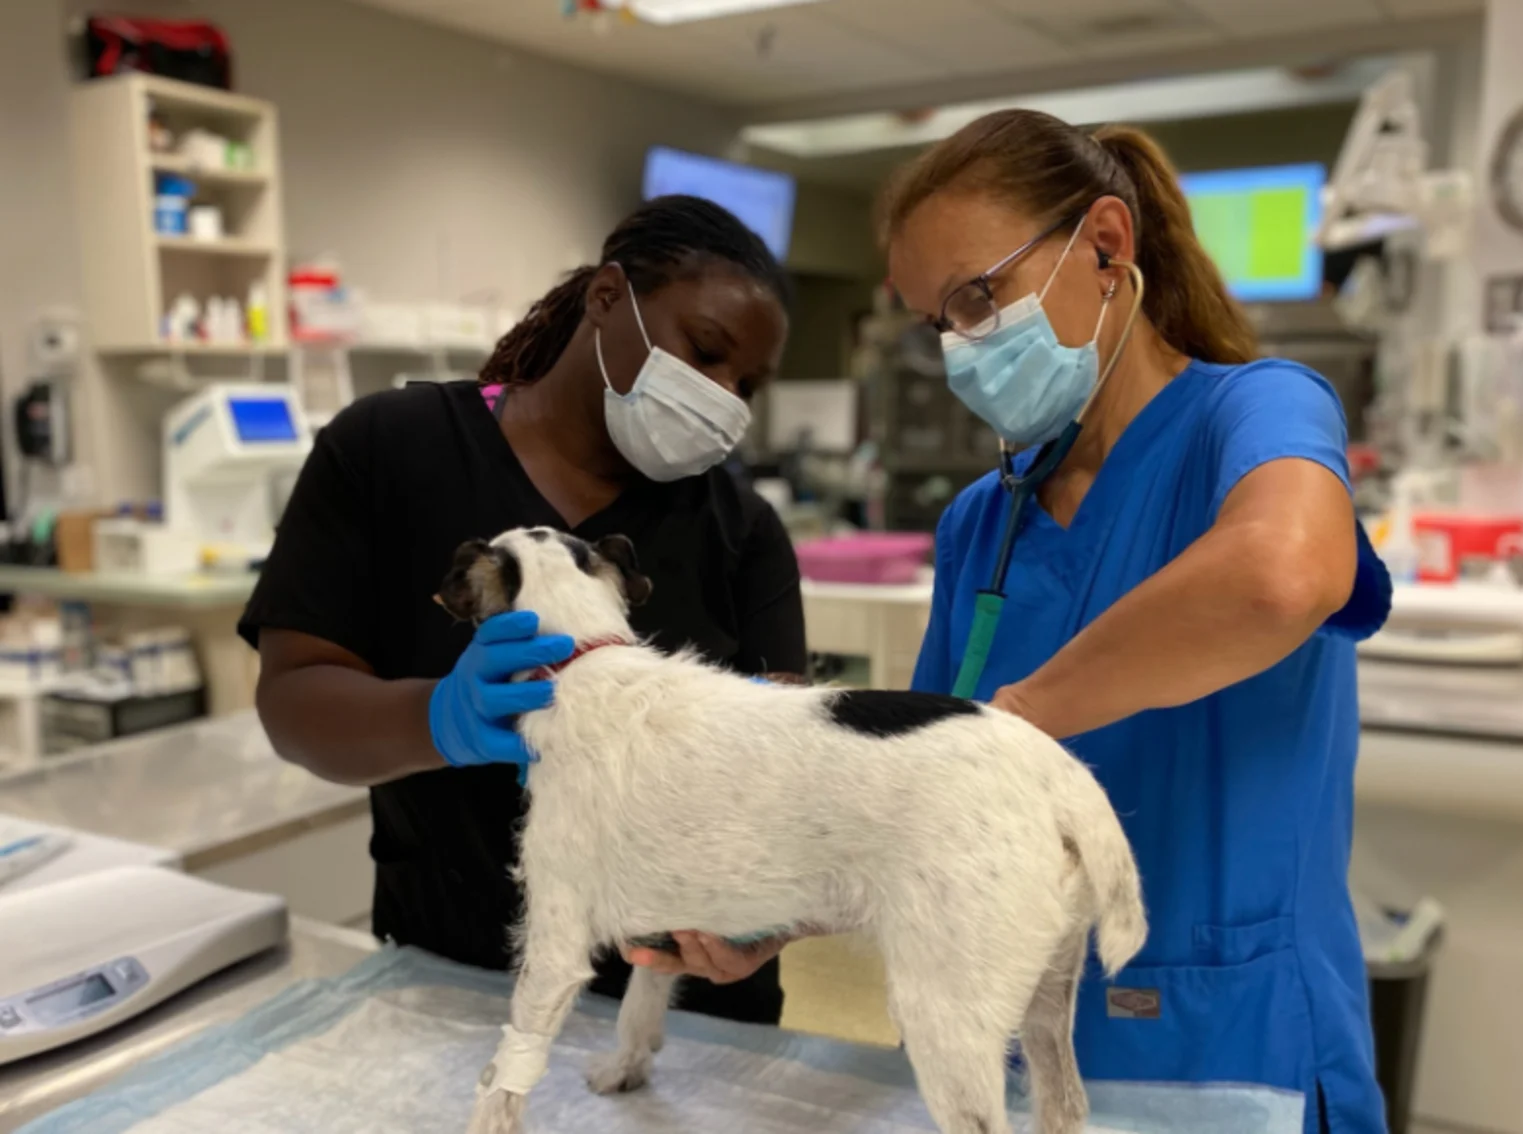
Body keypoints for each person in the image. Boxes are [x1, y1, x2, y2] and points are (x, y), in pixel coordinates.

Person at [882, 110, 1392, 1134]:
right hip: (1013, 1044)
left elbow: (1283, 574)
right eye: (940, 322)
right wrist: (771, 900)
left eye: (979, 297)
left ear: (1107, 247)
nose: (962, 348)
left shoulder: (1254, 415)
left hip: (1230, 1044)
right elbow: (924, 788)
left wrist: (1018, 717)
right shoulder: (986, 522)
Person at [241, 196, 807, 1026]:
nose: (723, 397)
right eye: (706, 352)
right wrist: (436, 716)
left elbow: (791, 763)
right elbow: (292, 701)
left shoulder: (740, 528)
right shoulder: (388, 452)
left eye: (745, 384)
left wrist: (764, 912)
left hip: (684, 1011)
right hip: (451, 988)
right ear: (607, 297)